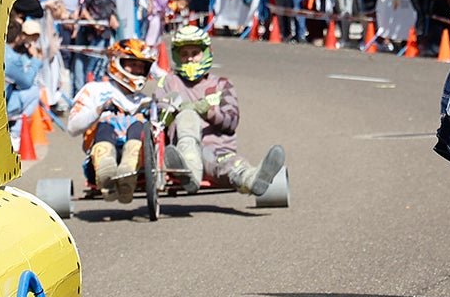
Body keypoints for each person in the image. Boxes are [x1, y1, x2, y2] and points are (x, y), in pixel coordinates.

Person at [156, 24, 285, 198]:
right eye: (184, 54)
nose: (189, 59)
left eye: (195, 53)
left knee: (230, 163)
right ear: (177, 57)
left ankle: (252, 179)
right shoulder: (168, 82)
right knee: (187, 116)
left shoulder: (222, 84)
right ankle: (189, 171)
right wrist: (175, 112)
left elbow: (232, 122)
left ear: (205, 54)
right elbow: (158, 116)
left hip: (217, 152)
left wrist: (208, 112)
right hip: (181, 149)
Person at [62, 37, 170, 203]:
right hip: (98, 157)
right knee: (106, 126)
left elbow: (157, 136)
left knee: (138, 126)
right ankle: (107, 171)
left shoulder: (145, 101)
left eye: (141, 66)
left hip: (141, 163)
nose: (136, 70)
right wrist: (99, 109)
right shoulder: (95, 90)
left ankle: (127, 171)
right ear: (117, 62)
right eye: (132, 64)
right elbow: (72, 128)